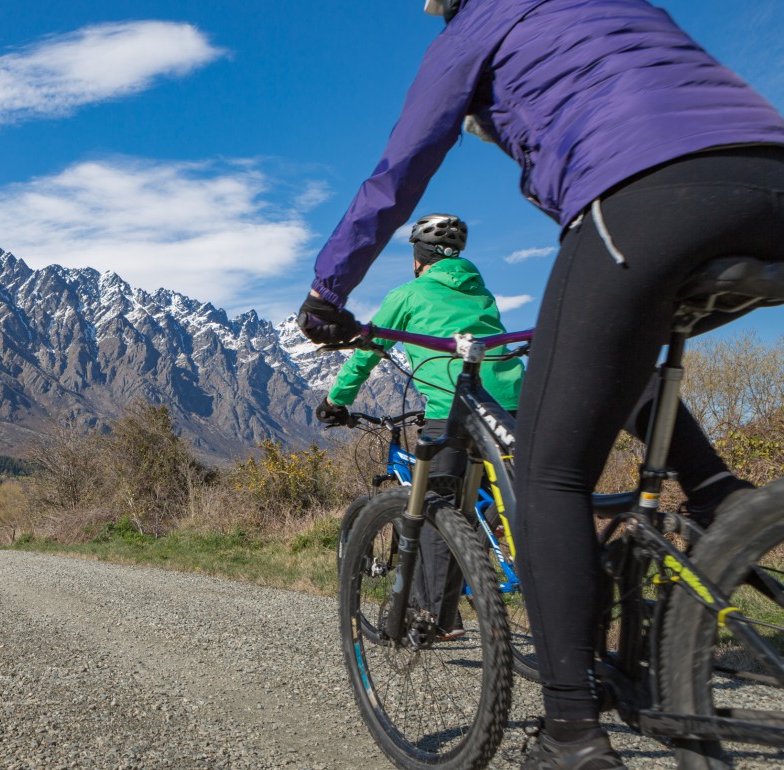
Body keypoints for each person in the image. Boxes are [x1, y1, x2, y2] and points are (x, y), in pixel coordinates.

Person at [295, 1, 784, 768]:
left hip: (646, 191)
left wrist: (327, 292)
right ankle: (725, 497)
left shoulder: (471, 31)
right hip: (770, 176)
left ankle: (570, 734)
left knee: (550, 475)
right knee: (618, 365)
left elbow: (397, 174)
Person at [317, 213, 524, 635]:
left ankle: (433, 616)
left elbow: (367, 351)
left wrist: (335, 402)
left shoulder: (409, 294)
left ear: (418, 257)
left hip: (454, 406)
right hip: (511, 405)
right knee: (479, 509)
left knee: (434, 508)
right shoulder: (481, 293)